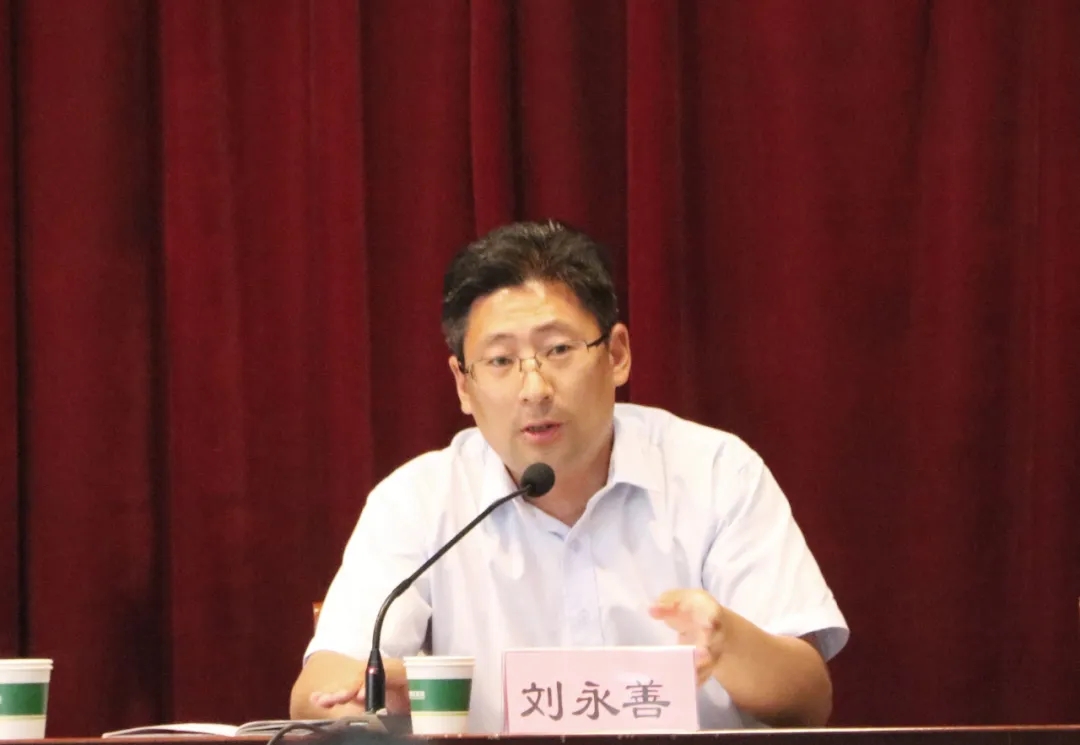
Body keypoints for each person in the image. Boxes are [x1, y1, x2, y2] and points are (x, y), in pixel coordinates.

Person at [290, 220, 848, 733]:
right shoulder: (417, 500)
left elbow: (808, 698)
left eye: (558, 349)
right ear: (463, 383)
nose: (534, 389)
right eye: (501, 361)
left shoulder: (716, 472)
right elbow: (318, 690)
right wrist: (373, 694)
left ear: (617, 354)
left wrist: (730, 644)